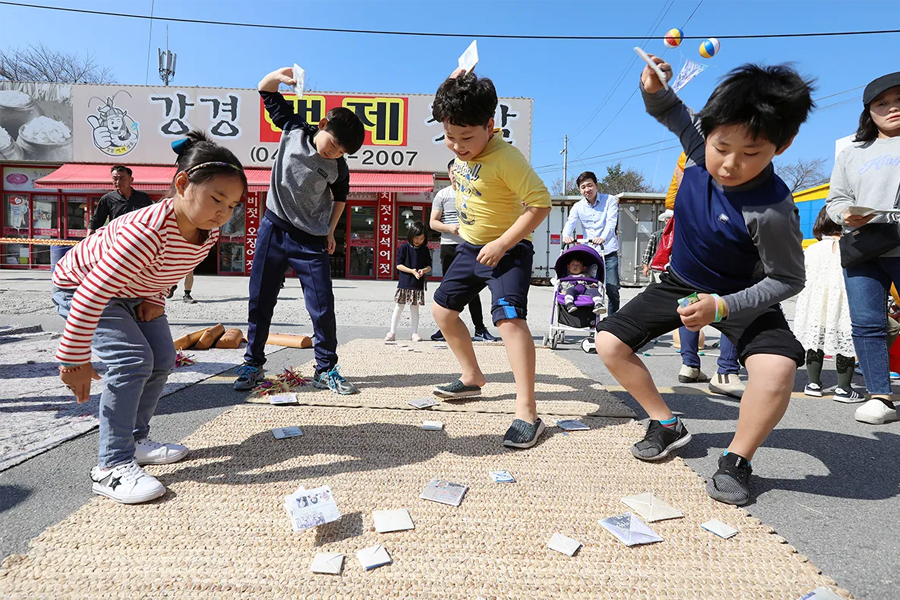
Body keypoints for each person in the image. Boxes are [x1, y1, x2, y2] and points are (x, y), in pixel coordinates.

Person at [596, 58, 814, 506]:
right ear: (708, 131)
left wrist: (723, 306)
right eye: (721, 146)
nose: (729, 164)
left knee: (777, 371)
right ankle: (665, 422)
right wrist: (652, 86)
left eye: (751, 153)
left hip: (742, 297)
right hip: (680, 282)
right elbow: (667, 108)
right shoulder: (699, 148)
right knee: (609, 342)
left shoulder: (772, 209)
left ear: (783, 145)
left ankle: (737, 459)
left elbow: (789, 278)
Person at [52, 131, 247, 504]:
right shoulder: (146, 231)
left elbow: (169, 269)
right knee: (131, 361)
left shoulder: (207, 232)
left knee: (162, 358)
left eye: (233, 204)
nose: (224, 211)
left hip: (135, 293)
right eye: (216, 198)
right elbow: (93, 291)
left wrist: (156, 297)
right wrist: (72, 358)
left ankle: (135, 440)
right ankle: (111, 466)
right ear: (182, 184)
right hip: (81, 287)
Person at [430, 68, 552, 449]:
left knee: (509, 321)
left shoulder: (507, 158)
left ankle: (527, 410)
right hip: (470, 246)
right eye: (450, 137)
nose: (458, 146)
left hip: (508, 250)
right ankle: (472, 378)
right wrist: (452, 82)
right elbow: (455, 108)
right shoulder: (464, 144)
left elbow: (540, 203)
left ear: (490, 126)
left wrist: (502, 243)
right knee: (442, 311)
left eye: (466, 137)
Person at [234, 66, 365, 395]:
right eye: (333, 144)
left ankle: (326, 368)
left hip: (311, 240)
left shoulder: (338, 168)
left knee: (322, 306)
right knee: (260, 300)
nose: (332, 152)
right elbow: (265, 90)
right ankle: (252, 362)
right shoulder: (292, 128)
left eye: (340, 152)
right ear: (323, 126)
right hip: (273, 228)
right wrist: (280, 76)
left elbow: (341, 199)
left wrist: (331, 231)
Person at [825, 71, 900, 425]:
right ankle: (880, 397)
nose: (892, 108)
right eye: (882, 103)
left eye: (899, 100)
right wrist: (845, 215)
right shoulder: (852, 152)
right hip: (863, 246)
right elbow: (836, 200)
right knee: (868, 323)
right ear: (869, 112)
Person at [660, 153, 746, 398]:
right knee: (730, 302)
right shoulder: (732, 152)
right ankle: (727, 372)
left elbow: (671, 201)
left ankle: (689, 365)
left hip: (689, 242)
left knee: (692, 301)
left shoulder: (684, 156)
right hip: (724, 235)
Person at [793, 207, 862, 402]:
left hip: (815, 302)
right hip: (843, 301)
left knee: (816, 339)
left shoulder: (813, 249)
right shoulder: (854, 245)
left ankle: (813, 383)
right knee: (843, 341)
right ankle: (844, 388)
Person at [429, 159, 497, 343]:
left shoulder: (474, 192)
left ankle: (480, 329)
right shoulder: (442, 194)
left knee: (473, 289)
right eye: (452, 171)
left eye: (458, 171)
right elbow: (432, 222)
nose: (455, 175)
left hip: (472, 245)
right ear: (449, 173)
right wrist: (449, 228)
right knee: (449, 289)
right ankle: (445, 328)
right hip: (449, 246)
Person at [562, 172, 621, 314]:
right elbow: (570, 223)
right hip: (591, 254)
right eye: (583, 187)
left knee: (612, 288)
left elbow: (611, 222)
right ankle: (591, 322)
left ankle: (613, 321)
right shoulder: (577, 206)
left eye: (590, 185)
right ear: (579, 190)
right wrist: (566, 236)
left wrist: (603, 238)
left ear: (596, 185)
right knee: (589, 287)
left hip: (608, 251)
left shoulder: (610, 200)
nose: (587, 189)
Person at [386, 221, 432, 342]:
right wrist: (412, 271)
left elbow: (429, 266)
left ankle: (414, 333)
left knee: (415, 307)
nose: (419, 241)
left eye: (422, 238)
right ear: (411, 235)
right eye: (417, 238)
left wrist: (423, 271)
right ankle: (392, 332)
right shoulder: (404, 248)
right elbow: (398, 265)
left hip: (417, 283)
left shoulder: (425, 250)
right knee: (399, 306)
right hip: (405, 282)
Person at [87, 165, 154, 236]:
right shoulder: (107, 199)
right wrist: (90, 233)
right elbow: (97, 220)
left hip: (138, 237)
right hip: (116, 238)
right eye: (115, 179)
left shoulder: (143, 198)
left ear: (131, 180)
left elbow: (152, 218)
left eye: (122, 178)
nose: (118, 182)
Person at [642, 209, 672, 283]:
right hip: (659, 269)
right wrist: (645, 266)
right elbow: (648, 251)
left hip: (673, 269)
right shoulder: (657, 235)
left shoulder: (680, 236)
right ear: (666, 221)